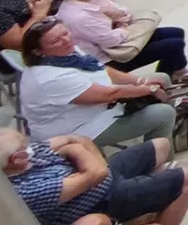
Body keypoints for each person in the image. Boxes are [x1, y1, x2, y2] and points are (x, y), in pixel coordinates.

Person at [0, 127, 188, 225]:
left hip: (103, 174)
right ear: (15, 159)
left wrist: (88, 160)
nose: (31, 146)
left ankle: (146, 206)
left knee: (161, 145)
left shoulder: (26, 156)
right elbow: (95, 171)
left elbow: (79, 138)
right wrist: (77, 152)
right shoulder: (27, 191)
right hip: (104, 200)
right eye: (25, 146)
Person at [17, 17, 176, 147]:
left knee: (162, 78)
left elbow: (101, 69)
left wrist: (141, 81)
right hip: (77, 130)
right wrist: (149, 89)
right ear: (39, 51)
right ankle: (159, 159)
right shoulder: (50, 78)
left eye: (65, 33)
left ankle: (170, 131)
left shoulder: (65, 52)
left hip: (96, 107)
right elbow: (110, 94)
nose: (66, 40)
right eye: (55, 41)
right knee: (163, 114)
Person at [48, 0, 188, 82]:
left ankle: (179, 72)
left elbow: (122, 12)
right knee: (174, 45)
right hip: (108, 58)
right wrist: (121, 26)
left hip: (118, 37)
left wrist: (120, 21)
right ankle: (163, 83)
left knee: (177, 33)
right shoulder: (78, 17)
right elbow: (110, 41)